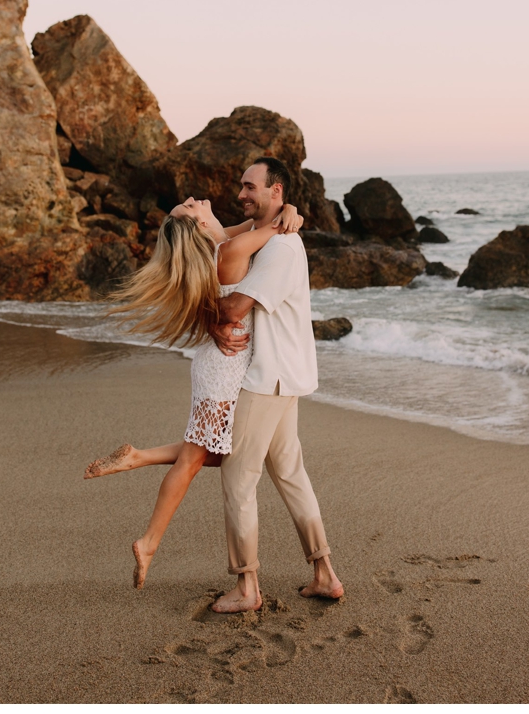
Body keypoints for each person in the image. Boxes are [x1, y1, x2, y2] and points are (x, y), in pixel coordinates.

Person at [85, 193, 303, 589]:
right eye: (188, 207)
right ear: (200, 225)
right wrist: (288, 213)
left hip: (220, 364)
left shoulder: (222, 242)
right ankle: (149, 542)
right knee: (194, 460)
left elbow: (255, 228)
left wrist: (282, 215)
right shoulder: (232, 248)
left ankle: (137, 457)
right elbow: (277, 228)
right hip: (224, 369)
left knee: (218, 454)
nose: (191, 199)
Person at [205, 158, 343, 613]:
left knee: (238, 477)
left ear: (276, 191)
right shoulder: (266, 235)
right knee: (290, 474)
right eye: (241, 185)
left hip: (268, 378)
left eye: (251, 186)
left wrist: (212, 318)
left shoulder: (282, 248)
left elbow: (235, 308)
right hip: (284, 376)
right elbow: (226, 236)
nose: (242, 193)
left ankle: (247, 586)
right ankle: (324, 573)